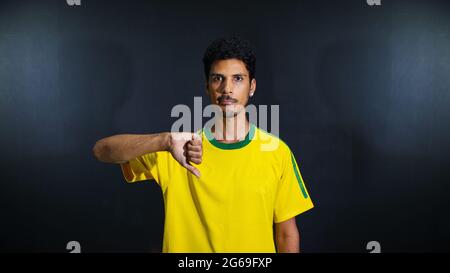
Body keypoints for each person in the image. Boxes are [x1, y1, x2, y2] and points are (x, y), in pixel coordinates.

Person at [93, 37, 314, 253]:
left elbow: (286, 233)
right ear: (207, 86)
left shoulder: (276, 151)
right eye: (218, 78)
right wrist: (164, 140)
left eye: (238, 78)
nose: (227, 89)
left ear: (252, 86)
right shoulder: (177, 148)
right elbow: (101, 150)